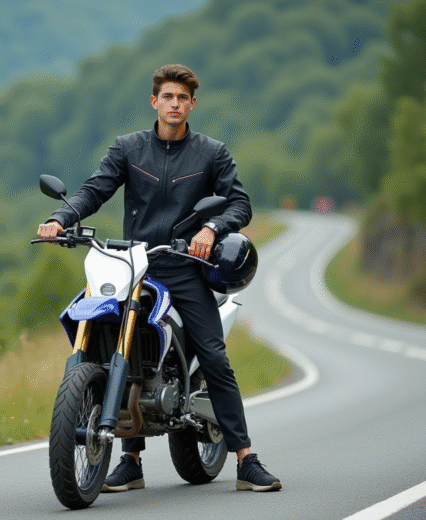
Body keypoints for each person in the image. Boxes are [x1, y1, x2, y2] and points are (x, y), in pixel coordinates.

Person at [37, 64, 281, 493]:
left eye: (182, 98)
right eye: (167, 97)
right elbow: (94, 190)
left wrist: (210, 230)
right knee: (118, 345)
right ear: (154, 101)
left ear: (191, 104)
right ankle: (130, 461)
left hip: (184, 267)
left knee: (213, 355)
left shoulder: (211, 153)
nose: (174, 104)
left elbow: (239, 205)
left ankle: (245, 459)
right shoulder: (129, 148)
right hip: (133, 264)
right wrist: (60, 218)